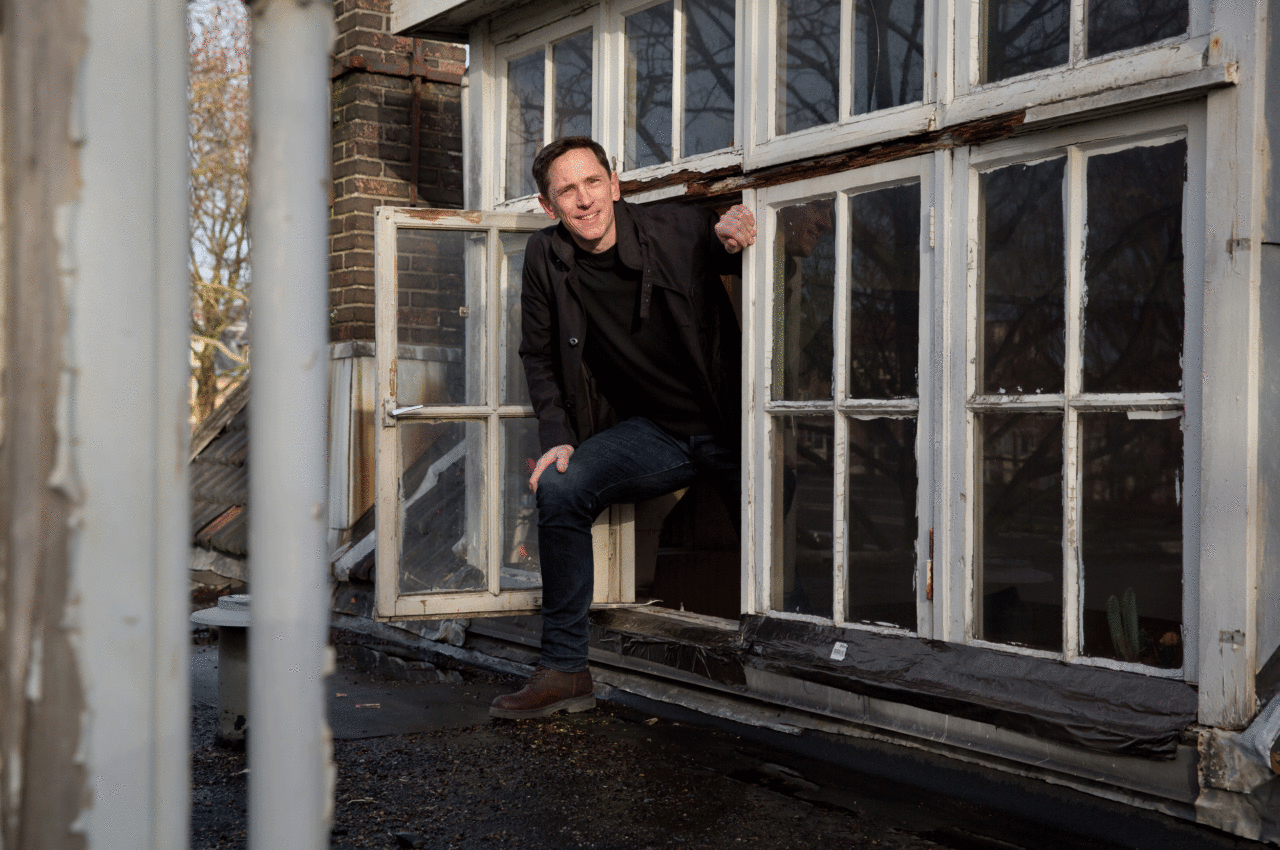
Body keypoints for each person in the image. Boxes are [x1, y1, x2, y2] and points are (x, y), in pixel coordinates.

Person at [489, 137, 756, 719]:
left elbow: (738, 254)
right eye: (567, 191)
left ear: (614, 184)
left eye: (592, 182)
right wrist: (557, 436)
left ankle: (798, 657)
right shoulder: (545, 256)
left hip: (730, 424)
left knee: (772, 534)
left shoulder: (677, 228)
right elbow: (538, 354)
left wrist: (737, 228)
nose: (584, 200)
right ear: (548, 205)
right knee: (560, 485)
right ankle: (565, 670)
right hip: (654, 434)